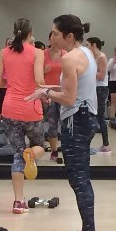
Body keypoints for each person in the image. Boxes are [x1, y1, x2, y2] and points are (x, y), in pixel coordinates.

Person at [26, 14, 101, 231]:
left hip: (76, 121)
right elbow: (72, 88)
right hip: (83, 118)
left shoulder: (69, 58)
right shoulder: (85, 53)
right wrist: (48, 89)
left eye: (56, 34)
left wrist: (46, 93)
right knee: (79, 179)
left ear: (69, 36)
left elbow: (69, 98)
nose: (52, 38)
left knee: (79, 180)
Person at [0, 18, 45, 214]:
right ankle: (31, 153)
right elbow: (39, 81)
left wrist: (13, 84)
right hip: (31, 108)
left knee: (17, 154)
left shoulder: (3, 53)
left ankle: (18, 201)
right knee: (40, 146)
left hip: (10, 109)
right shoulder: (37, 53)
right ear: (30, 33)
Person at [43, 31, 65, 161]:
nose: (55, 40)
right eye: (53, 37)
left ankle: (66, 149)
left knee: (65, 123)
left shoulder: (66, 54)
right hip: (49, 94)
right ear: (49, 39)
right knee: (52, 124)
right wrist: (43, 71)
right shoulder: (43, 54)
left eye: (58, 37)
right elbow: (37, 75)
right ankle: (54, 151)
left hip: (63, 94)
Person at [87, 37, 110, 153]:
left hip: (100, 88)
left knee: (99, 116)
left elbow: (101, 76)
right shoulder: (92, 57)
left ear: (94, 45)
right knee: (92, 115)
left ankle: (106, 144)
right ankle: (88, 144)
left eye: (88, 45)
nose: (86, 47)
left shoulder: (101, 57)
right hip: (94, 88)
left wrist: (88, 72)